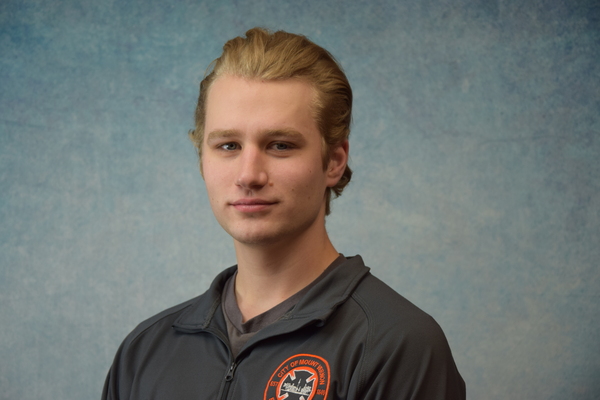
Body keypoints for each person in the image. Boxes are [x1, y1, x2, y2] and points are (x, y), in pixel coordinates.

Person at [102, 27, 466, 400]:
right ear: (202, 160)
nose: (249, 175)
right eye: (228, 145)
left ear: (334, 161)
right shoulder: (144, 352)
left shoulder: (396, 345)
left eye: (280, 145)